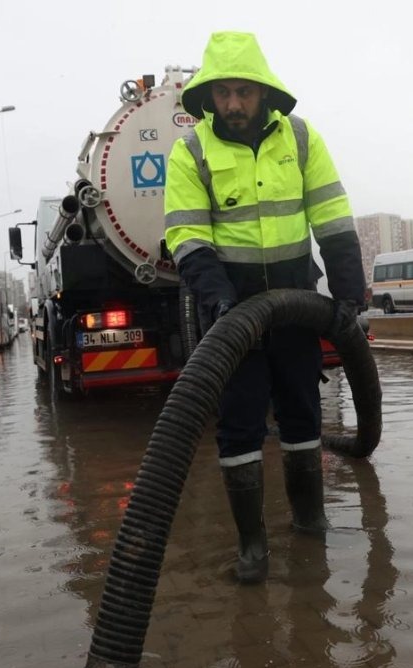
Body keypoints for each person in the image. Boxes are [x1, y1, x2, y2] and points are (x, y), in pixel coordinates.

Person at [164, 31, 366, 584]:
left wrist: (349, 294)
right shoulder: (192, 150)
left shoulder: (300, 139)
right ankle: (253, 545)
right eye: (223, 93)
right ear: (209, 96)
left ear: (262, 92)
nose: (232, 104)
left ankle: (309, 520)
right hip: (231, 313)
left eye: (242, 92)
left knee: (303, 410)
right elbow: (187, 236)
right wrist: (219, 298)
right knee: (240, 422)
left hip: (298, 305)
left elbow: (332, 217)